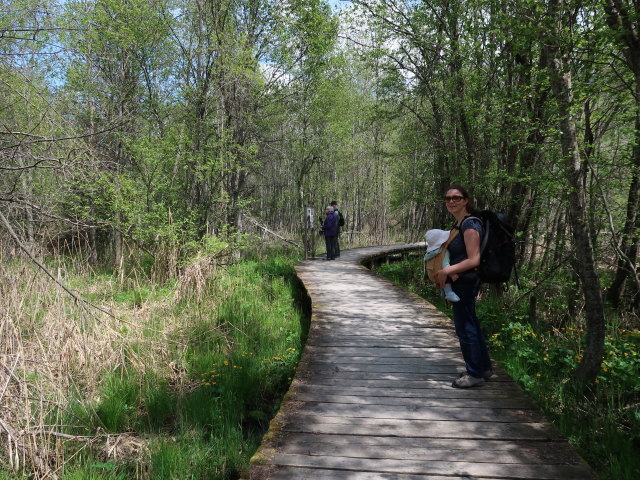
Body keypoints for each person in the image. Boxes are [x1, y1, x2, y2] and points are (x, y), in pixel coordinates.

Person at [435, 185, 493, 388]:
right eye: (448, 198)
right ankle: (483, 368)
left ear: (465, 200)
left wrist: (446, 272)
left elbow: (474, 259)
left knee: (465, 329)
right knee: (472, 325)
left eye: (456, 198)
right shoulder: (459, 224)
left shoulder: (469, 225)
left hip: (465, 282)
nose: (451, 201)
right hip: (461, 282)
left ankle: (474, 374)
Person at [424, 228, 460, 302]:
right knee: (446, 279)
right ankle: (449, 293)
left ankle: (443, 292)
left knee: (442, 279)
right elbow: (445, 265)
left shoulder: (430, 253)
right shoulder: (444, 252)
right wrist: (452, 274)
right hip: (440, 274)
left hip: (432, 274)